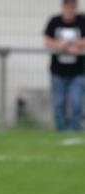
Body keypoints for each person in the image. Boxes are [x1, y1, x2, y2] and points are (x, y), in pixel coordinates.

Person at [44, 0, 85, 132]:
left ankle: (74, 129)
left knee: (76, 104)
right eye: (67, 7)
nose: (70, 10)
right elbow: (48, 41)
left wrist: (72, 45)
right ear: (63, 7)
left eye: (72, 7)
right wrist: (67, 48)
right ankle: (61, 131)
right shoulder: (54, 21)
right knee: (59, 104)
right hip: (58, 71)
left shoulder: (82, 21)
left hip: (77, 72)